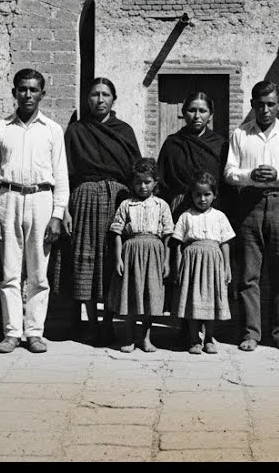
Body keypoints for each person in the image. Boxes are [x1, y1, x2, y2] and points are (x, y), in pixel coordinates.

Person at [0, 68, 69, 354]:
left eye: (33, 90)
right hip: (9, 198)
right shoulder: (1, 129)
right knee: (9, 272)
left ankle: (34, 332)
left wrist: (57, 214)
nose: (27, 95)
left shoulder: (52, 129)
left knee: (38, 273)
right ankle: (11, 333)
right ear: (14, 92)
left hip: (41, 199)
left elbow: (61, 176)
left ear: (42, 94)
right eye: (22, 89)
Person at [54, 77, 141, 345]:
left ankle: (108, 323)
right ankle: (91, 324)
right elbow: (63, 173)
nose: (100, 100)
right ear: (87, 99)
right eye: (94, 94)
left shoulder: (124, 131)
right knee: (86, 263)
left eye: (105, 94)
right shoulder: (76, 131)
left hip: (117, 200)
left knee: (112, 263)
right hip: (83, 200)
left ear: (114, 99)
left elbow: (135, 171)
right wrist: (64, 210)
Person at [224, 80, 279, 353]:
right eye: (260, 105)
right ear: (252, 105)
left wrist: (278, 175)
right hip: (249, 204)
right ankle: (251, 333)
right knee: (249, 273)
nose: (266, 110)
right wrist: (250, 175)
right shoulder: (241, 134)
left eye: (271, 104)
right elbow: (229, 172)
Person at [106, 157, 175, 353]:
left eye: (147, 182)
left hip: (154, 254)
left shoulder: (161, 205)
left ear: (155, 182)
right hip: (131, 254)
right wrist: (118, 259)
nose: (143, 186)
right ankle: (128, 337)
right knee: (130, 296)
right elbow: (116, 232)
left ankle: (145, 338)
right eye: (138, 182)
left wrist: (166, 262)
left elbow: (168, 235)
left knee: (149, 297)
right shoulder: (127, 205)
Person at [171, 170, 234, 354]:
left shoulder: (220, 216)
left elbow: (225, 243)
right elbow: (178, 243)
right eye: (198, 194)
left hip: (213, 263)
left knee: (211, 300)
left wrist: (227, 267)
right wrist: (178, 266)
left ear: (214, 195)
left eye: (207, 194)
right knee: (192, 301)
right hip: (192, 264)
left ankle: (208, 338)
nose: (202, 199)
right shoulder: (186, 216)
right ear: (192, 195)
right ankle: (194, 339)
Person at [156, 92, 229, 222]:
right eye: (192, 110)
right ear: (184, 113)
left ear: (210, 115)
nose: (197, 116)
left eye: (202, 111)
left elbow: (226, 186)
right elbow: (161, 183)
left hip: (212, 211)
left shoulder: (220, 145)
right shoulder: (172, 144)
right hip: (179, 210)